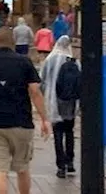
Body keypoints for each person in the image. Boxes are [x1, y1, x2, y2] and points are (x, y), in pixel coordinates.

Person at [0, 28, 48, 194]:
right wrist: (45, 119)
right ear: (13, 42)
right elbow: (35, 91)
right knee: (22, 168)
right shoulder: (24, 62)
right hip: (21, 123)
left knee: (0, 170)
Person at [39, 36, 79, 178]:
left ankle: (60, 166)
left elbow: (41, 81)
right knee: (69, 132)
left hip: (54, 101)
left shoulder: (50, 59)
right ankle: (70, 162)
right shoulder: (73, 61)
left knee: (57, 134)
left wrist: (42, 97)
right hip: (71, 103)